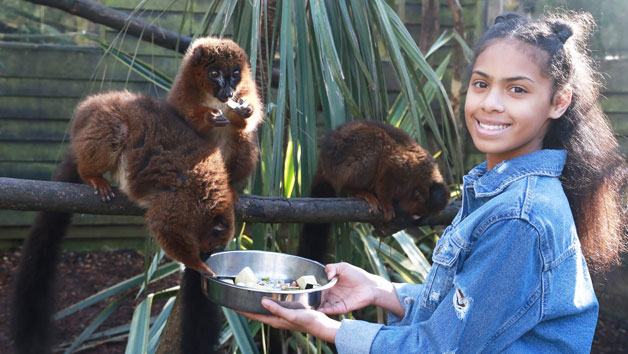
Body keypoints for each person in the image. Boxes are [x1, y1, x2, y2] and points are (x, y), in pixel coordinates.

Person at [240, 11, 628, 353]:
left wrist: (327, 329)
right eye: (481, 84)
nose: (491, 103)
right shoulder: (496, 193)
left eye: (517, 89)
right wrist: (382, 290)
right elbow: (469, 312)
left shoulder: (519, 218)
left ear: (558, 102)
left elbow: (443, 347)